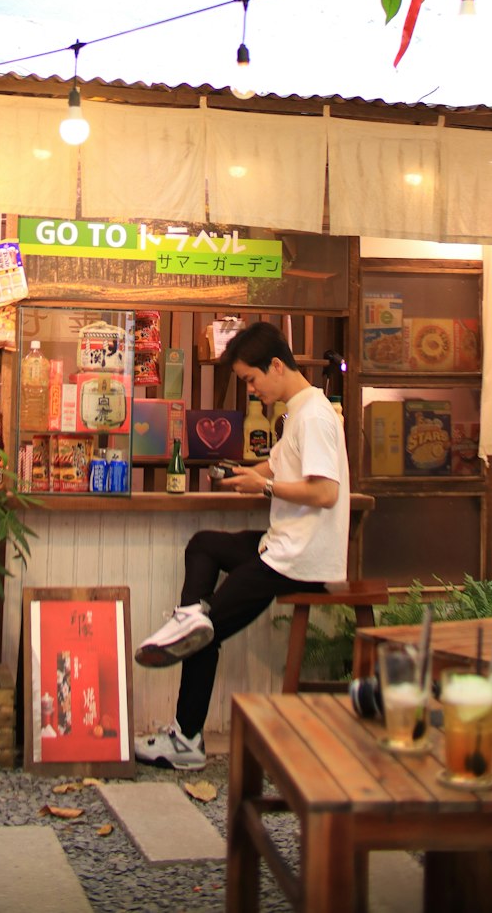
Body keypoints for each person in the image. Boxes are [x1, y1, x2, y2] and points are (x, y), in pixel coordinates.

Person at [133, 321, 350, 770]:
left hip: (297, 560)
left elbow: (325, 493)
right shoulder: (301, 410)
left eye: (252, 380)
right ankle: (191, 616)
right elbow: (278, 465)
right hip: (283, 544)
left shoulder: (314, 415)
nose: (253, 390)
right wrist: (246, 473)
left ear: (275, 365)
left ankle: (186, 739)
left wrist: (264, 489)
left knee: (203, 637)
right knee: (205, 545)